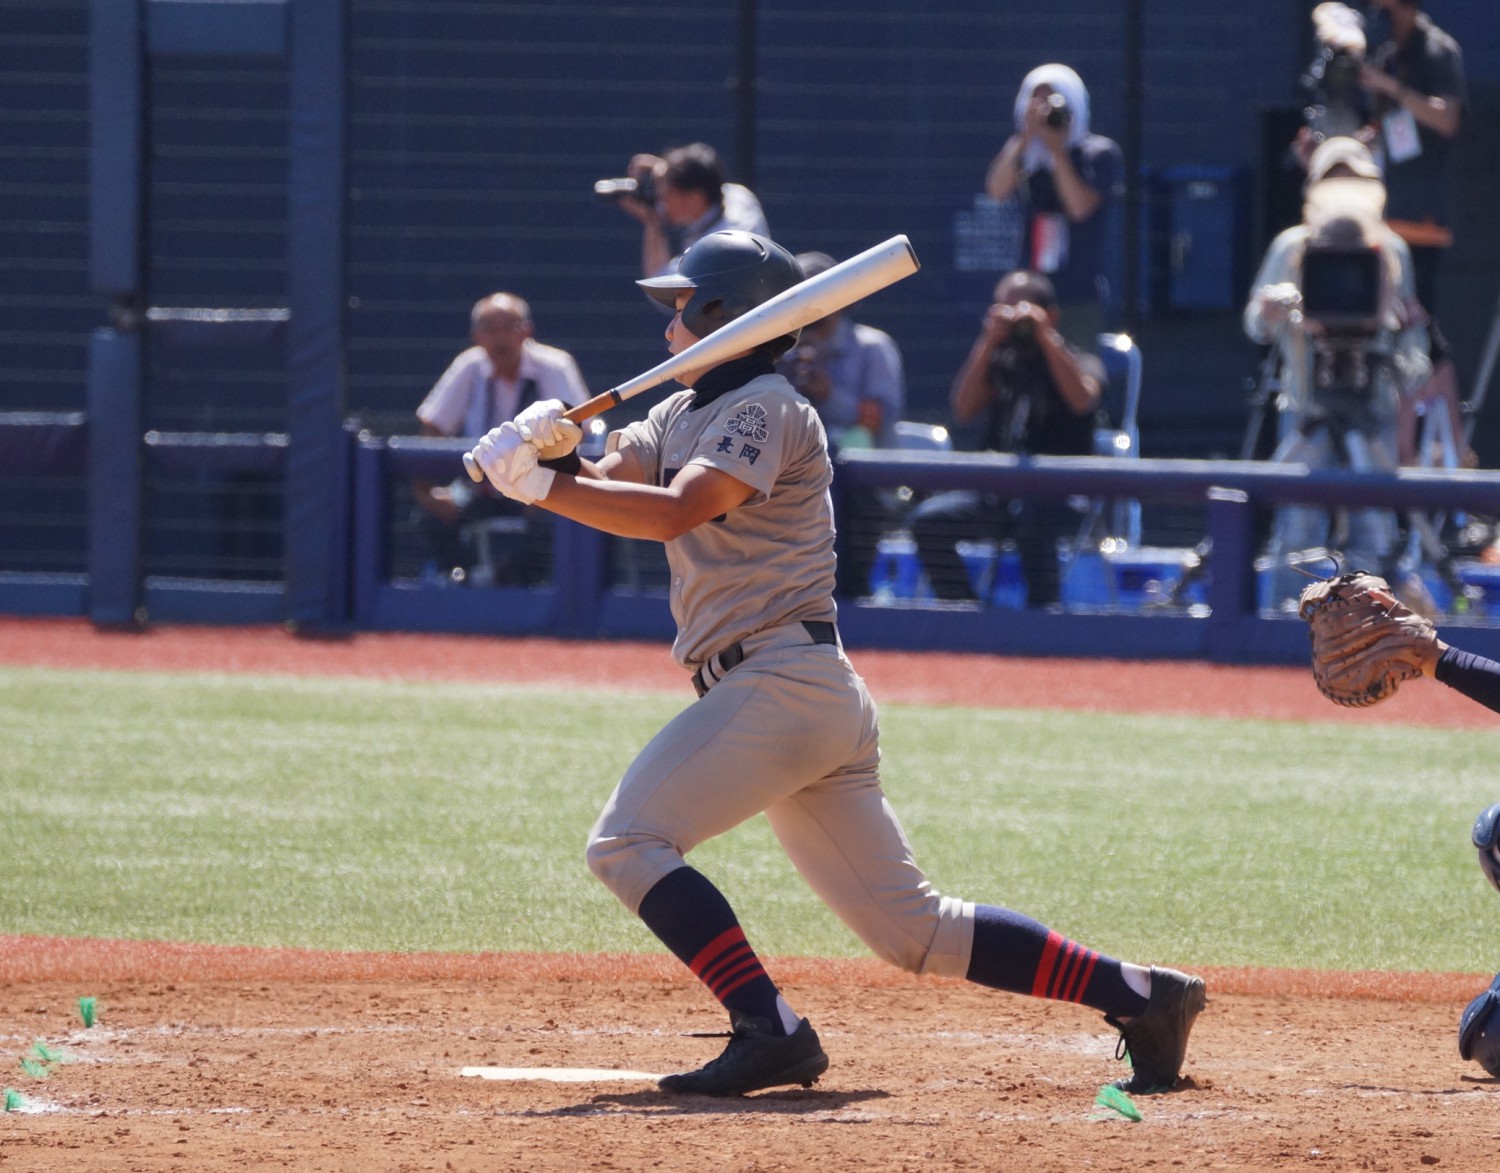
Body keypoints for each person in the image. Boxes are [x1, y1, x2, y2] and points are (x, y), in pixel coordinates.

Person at [466, 229, 1205, 1098]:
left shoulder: (767, 407)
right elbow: (614, 466)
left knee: (626, 842)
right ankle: (1143, 995)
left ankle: (768, 1028)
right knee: (917, 932)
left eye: (681, 307)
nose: (668, 324)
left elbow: (676, 510)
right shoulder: (681, 409)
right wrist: (552, 446)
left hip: (780, 683)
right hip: (796, 696)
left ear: (722, 316)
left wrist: (548, 486)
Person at [1243, 137, 1430, 610]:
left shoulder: (1392, 251)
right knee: (1299, 528)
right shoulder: (1291, 247)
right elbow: (1255, 326)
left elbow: (1414, 356)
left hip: (1373, 410)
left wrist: (1401, 336)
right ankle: (1288, 630)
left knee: (1372, 527)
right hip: (1308, 406)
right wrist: (1274, 309)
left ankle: (1370, 632)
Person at [910, 270, 1105, 610]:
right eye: (1004, 308)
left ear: (1051, 314)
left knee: (1031, 515)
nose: (1015, 318)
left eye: (1022, 309)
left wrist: (1044, 335)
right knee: (928, 520)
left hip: (1059, 496)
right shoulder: (999, 359)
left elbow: (1082, 398)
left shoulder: (1079, 360)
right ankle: (965, 613)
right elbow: (963, 408)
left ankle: (1043, 618)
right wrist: (988, 341)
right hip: (998, 493)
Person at [412, 293, 589, 584]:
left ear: (527, 330)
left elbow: (580, 433)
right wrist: (428, 493)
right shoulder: (468, 366)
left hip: (542, 489)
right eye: (489, 329)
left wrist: (546, 489)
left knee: (557, 520)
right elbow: (432, 429)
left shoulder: (556, 366)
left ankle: (523, 593)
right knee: (429, 517)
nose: (500, 338)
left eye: (509, 327)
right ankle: (469, 584)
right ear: (476, 336)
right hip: (479, 489)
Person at [776, 250, 908, 598]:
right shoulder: (779, 352)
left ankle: (852, 601)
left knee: (847, 558)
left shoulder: (872, 347)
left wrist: (827, 393)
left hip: (861, 487)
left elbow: (877, 422)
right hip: (796, 480)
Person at [983, 64, 1122, 348]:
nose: (1045, 112)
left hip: (1077, 294)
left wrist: (1057, 151)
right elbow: (996, 190)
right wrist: (1025, 137)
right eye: (1037, 104)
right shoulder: (1025, 152)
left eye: (1054, 104)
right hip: (1029, 291)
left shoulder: (1097, 153)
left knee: (1073, 374)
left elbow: (1079, 207)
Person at [1359, 0, 1465, 318]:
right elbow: (1382, 127)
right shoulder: (1386, 54)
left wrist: (1392, 86)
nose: (1380, 21)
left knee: (1421, 329)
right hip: (1382, 218)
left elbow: (1446, 119)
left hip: (1421, 218)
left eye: (1386, 13)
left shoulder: (1438, 49)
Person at [611, 142, 769, 279]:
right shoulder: (739, 197)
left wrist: (652, 222)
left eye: (665, 195)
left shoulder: (714, 250)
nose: (660, 204)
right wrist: (666, 170)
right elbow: (704, 173)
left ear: (694, 197)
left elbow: (660, 283)